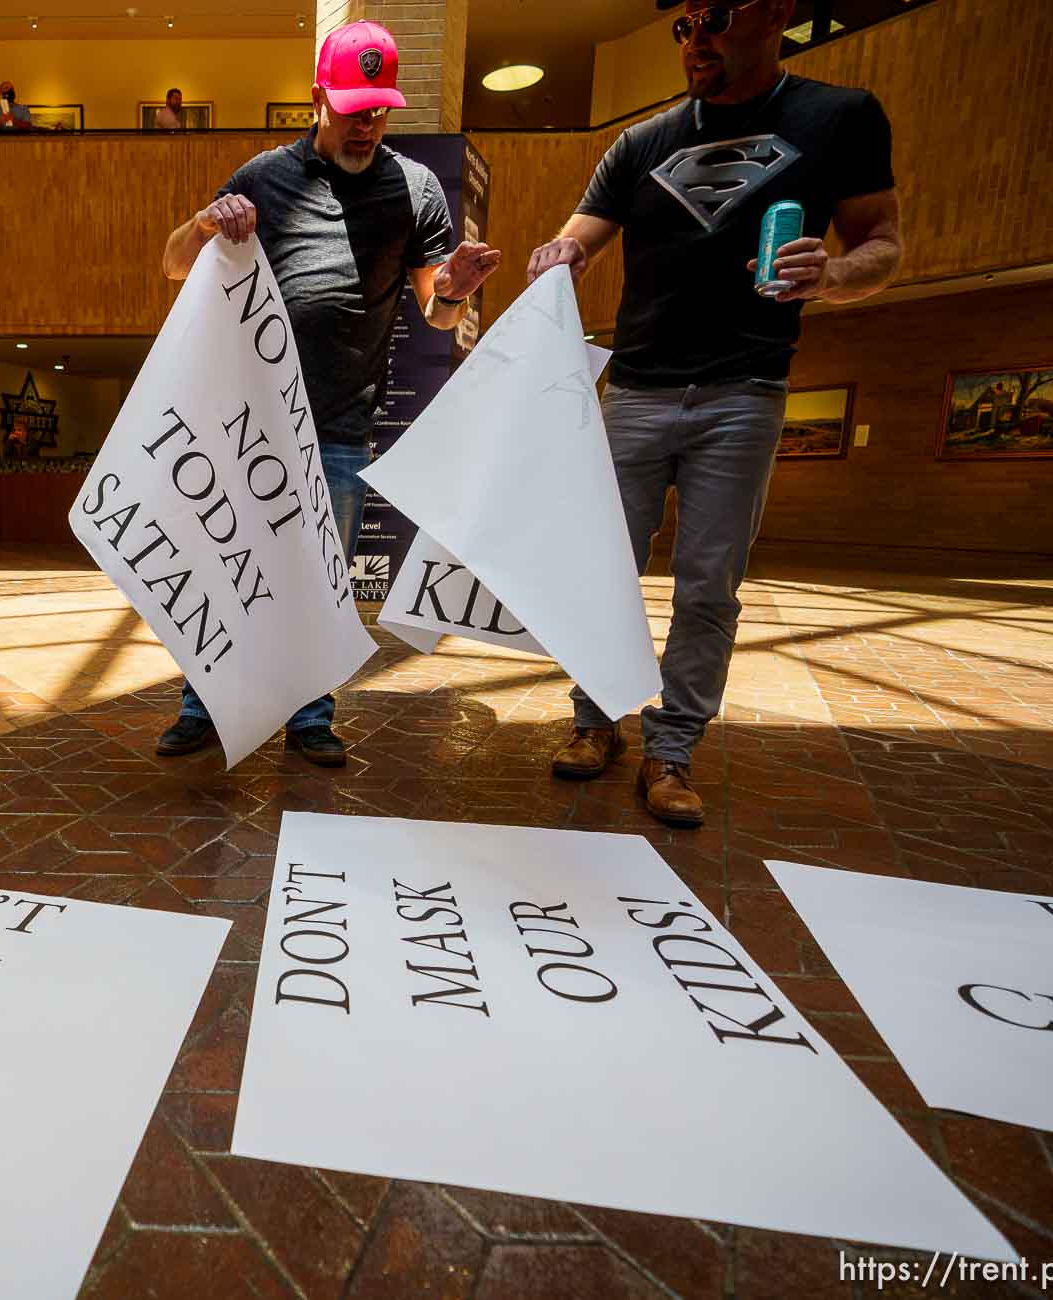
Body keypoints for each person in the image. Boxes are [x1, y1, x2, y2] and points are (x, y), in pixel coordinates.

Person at [527, 0, 903, 827]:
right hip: (636, 389)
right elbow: (578, 238)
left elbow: (881, 243)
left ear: (775, 12)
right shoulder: (641, 142)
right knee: (601, 571)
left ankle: (673, 747)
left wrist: (835, 276)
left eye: (718, 16)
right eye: (685, 24)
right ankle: (595, 723)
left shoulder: (837, 117)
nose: (698, 38)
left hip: (745, 391)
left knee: (707, 587)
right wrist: (560, 254)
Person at [154, 19, 502, 768]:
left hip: (341, 427)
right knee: (225, 564)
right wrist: (205, 221)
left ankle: (310, 716)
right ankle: (201, 703)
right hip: (246, 425)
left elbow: (435, 311)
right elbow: (175, 265)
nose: (368, 125)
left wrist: (455, 294)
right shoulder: (263, 177)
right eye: (353, 109)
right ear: (318, 99)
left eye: (380, 109)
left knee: (320, 584)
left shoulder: (414, 191)